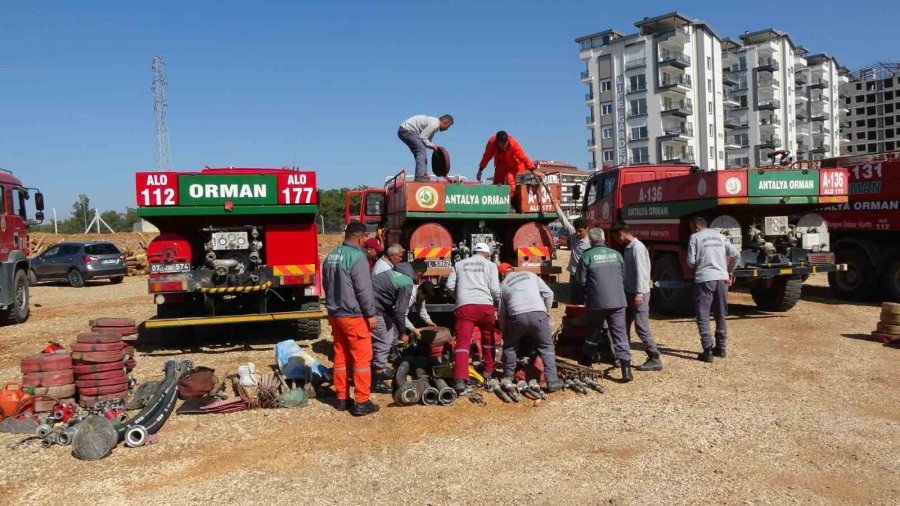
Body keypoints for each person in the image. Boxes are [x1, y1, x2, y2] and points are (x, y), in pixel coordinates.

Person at [322, 222, 380, 416]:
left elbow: (326, 285)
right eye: (365, 238)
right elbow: (364, 289)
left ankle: (341, 398)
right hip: (354, 316)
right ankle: (362, 401)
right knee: (362, 359)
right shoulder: (357, 257)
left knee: (340, 357)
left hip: (335, 315)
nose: (366, 241)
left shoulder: (330, 257)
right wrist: (370, 314)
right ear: (360, 237)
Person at [497, 263, 564, 392]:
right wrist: (546, 312)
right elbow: (549, 294)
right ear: (513, 269)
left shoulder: (504, 285)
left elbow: (502, 314)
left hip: (517, 317)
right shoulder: (530, 275)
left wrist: (504, 331)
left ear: (501, 274)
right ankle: (552, 381)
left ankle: (508, 377)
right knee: (546, 347)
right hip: (538, 314)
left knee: (510, 347)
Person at [577, 228, 633, 382]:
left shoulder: (587, 256)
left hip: (597, 302)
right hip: (618, 301)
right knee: (620, 333)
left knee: (593, 331)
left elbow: (581, 281)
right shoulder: (616, 255)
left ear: (591, 241)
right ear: (603, 239)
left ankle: (586, 358)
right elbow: (624, 277)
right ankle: (626, 369)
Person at [446, 242, 501, 393]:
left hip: (465, 307)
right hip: (485, 307)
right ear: (488, 254)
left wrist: (460, 297)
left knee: (462, 343)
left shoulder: (459, 264)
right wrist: (497, 304)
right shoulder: (491, 266)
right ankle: (488, 371)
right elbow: (496, 290)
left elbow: (449, 285)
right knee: (488, 339)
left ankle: (460, 380)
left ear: (473, 252)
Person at [686, 217, 741, 362]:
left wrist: (700, 262)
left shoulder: (695, 237)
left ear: (697, 227)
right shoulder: (721, 237)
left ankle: (708, 350)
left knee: (703, 314)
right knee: (720, 313)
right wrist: (729, 271)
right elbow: (736, 254)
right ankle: (721, 348)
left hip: (704, 278)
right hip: (722, 278)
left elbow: (690, 262)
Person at [610, 221, 662, 372]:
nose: (615, 242)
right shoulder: (628, 248)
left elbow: (642, 272)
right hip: (629, 292)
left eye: (615, 238)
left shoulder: (637, 248)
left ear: (620, 234)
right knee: (623, 325)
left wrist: (639, 293)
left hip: (638, 293)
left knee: (641, 327)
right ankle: (623, 356)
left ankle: (654, 356)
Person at [371, 259, 428, 393]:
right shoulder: (407, 283)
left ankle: (377, 367)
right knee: (383, 341)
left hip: (375, 304)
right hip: (373, 307)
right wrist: (403, 333)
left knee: (387, 335)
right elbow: (400, 311)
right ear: (419, 273)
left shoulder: (395, 271)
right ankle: (377, 378)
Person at [545, 181, 590, 303]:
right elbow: (564, 221)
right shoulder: (574, 235)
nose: (578, 233)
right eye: (577, 231)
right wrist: (556, 206)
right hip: (574, 274)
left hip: (586, 275)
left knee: (585, 298)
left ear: (587, 229)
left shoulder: (592, 242)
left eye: (581, 231)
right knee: (574, 298)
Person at [398, 114, 454, 182]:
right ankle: (420, 176)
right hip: (407, 130)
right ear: (445, 122)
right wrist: (433, 146)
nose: (446, 129)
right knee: (421, 150)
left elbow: (426, 142)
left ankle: (423, 175)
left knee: (422, 151)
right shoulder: (434, 124)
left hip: (406, 131)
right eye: (447, 126)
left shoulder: (434, 126)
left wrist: (432, 147)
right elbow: (423, 138)